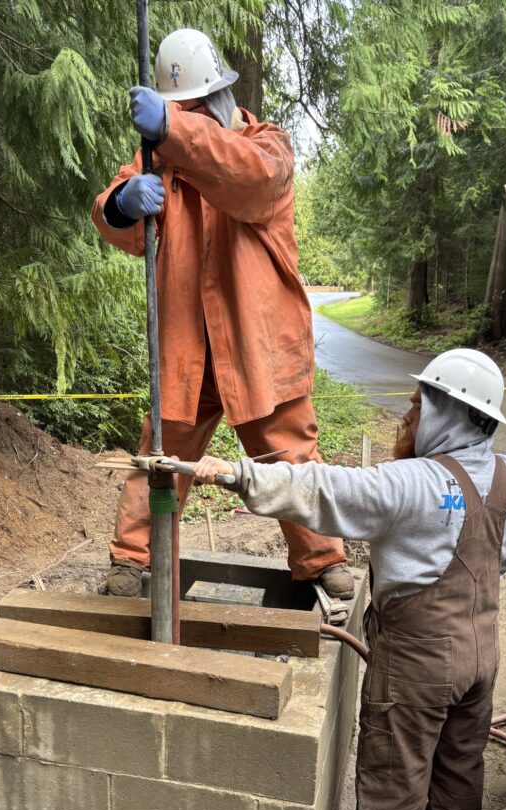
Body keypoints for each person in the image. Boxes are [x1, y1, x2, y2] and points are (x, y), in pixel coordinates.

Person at [194, 349, 506, 810]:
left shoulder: (409, 483)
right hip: (482, 652)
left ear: (449, 412)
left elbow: (322, 488)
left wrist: (235, 473)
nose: (407, 415)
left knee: (396, 764)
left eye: (418, 404)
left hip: (419, 658)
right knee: (461, 760)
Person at [91, 28, 353, 600]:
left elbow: (246, 180)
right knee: (160, 457)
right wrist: (122, 205)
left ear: (218, 98)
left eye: (190, 110)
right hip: (188, 347)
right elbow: (121, 226)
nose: (184, 121)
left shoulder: (268, 148)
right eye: (177, 111)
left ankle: (322, 559)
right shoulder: (160, 161)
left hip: (258, 347)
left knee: (290, 454)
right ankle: (133, 559)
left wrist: (171, 129)